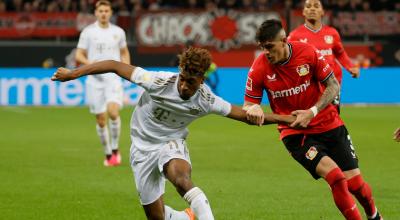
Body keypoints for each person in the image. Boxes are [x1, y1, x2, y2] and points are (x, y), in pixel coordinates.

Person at [52, 47, 295, 220]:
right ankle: (188, 217)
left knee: (181, 180)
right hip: (141, 146)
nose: (183, 86)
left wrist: (288, 119)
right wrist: (74, 73)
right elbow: (115, 66)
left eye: (190, 82)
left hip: (171, 143)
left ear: (201, 80)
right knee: (156, 216)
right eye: (182, 79)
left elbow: (244, 116)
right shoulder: (157, 81)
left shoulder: (206, 100)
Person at [244, 19, 382, 220]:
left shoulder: (307, 52)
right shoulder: (259, 68)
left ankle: (375, 215)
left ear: (283, 41)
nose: (265, 52)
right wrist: (254, 109)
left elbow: (333, 85)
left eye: (269, 46)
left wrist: (312, 111)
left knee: (356, 185)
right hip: (295, 134)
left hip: (329, 123)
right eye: (262, 47)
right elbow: (249, 107)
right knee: (336, 177)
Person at [75, 0, 131, 166]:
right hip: (94, 80)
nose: (104, 13)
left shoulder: (118, 32)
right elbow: (79, 55)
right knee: (101, 119)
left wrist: (126, 69)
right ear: (96, 13)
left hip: (112, 78)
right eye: (101, 11)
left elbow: (124, 52)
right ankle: (107, 153)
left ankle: (115, 150)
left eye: (106, 11)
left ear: (111, 13)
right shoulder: (88, 32)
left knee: (113, 112)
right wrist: (90, 65)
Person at [288, 0, 360, 113]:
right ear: (303, 12)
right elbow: (289, 60)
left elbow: (340, 53)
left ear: (322, 12)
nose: (312, 9)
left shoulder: (332, 33)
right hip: (309, 84)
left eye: (316, 6)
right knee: (310, 116)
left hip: (332, 82)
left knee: (333, 115)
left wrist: (350, 67)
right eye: (308, 6)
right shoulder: (295, 36)